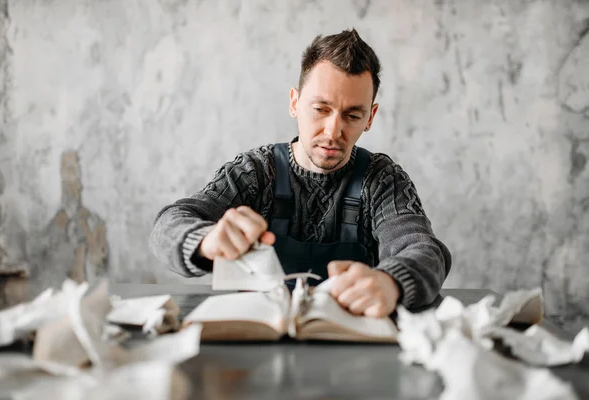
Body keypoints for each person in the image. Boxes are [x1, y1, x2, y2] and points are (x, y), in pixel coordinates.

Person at [149, 29, 451, 318]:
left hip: (350, 349)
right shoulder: (254, 172)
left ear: (370, 118)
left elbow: (424, 251)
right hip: (256, 347)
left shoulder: (382, 179)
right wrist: (204, 240)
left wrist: (393, 283)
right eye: (321, 109)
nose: (333, 132)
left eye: (352, 115)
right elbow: (168, 225)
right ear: (295, 103)